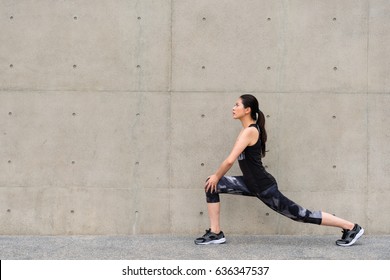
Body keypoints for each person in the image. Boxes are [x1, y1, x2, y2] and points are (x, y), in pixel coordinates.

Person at [194, 94, 364, 246]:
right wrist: (215, 179)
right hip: (250, 183)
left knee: (302, 215)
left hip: (263, 186)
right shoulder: (246, 130)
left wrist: (217, 176)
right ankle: (216, 233)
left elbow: (230, 160)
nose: (233, 108)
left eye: (236, 105)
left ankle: (351, 227)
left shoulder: (250, 131)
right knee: (211, 185)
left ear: (247, 110)